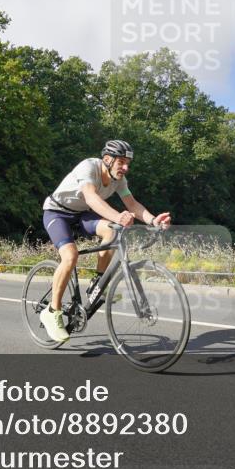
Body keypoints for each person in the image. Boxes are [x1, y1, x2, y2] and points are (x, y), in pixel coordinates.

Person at [40, 140, 171, 342]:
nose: (126, 167)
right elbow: (91, 198)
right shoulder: (88, 167)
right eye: (121, 162)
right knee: (70, 256)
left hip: (81, 214)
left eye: (128, 163)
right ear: (107, 159)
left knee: (112, 232)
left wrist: (153, 220)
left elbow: (132, 204)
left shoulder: (119, 180)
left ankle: (97, 282)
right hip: (57, 213)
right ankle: (52, 311)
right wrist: (118, 216)